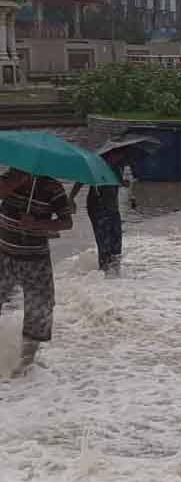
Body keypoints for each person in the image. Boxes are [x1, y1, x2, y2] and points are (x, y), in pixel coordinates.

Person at [0, 169, 73, 376]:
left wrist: (37, 224)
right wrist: (17, 181)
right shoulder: (9, 178)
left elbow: (66, 222)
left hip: (36, 260)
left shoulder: (53, 187)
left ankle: (25, 365)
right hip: (4, 254)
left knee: (40, 309)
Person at [69, 146, 133, 276]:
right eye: (119, 155)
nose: (121, 158)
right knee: (104, 242)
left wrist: (124, 183)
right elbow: (80, 181)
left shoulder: (117, 167)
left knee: (116, 241)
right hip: (98, 207)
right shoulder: (95, 166)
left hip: (112, 208)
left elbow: (117, 182)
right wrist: (71, 198)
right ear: (110, 155)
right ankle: (104, 272)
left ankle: (115, 272)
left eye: (122, 156)